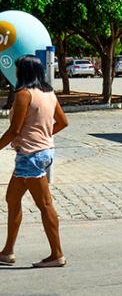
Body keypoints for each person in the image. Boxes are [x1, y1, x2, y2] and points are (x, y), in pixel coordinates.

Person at [0, 55, 69, 268]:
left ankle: (57, 255)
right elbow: (63, 122)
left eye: (19, 69)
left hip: (31, 156)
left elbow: (15, 130)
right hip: (42, 153)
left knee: (45, 204)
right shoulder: (48, 93)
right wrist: (45, 136)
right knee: (12, 199)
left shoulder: (24, 94)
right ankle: (8, 251)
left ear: (25, 72)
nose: (16, 73)